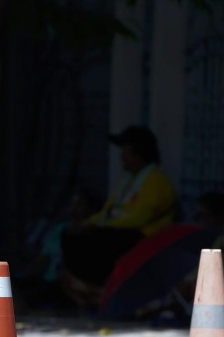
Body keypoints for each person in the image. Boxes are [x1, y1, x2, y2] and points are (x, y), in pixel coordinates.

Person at [61, 125, 177, 308]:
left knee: (103, 239)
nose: (121, 157)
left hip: (142, 235)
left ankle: (97, 289)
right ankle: (82, 286)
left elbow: (139, 219)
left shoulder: (156, 180)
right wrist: (88, 223)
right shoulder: (127, 180)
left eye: (125, 152)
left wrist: (102, 226)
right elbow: (108, 210)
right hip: (117, 231)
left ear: (139, 154)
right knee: (71, 234)